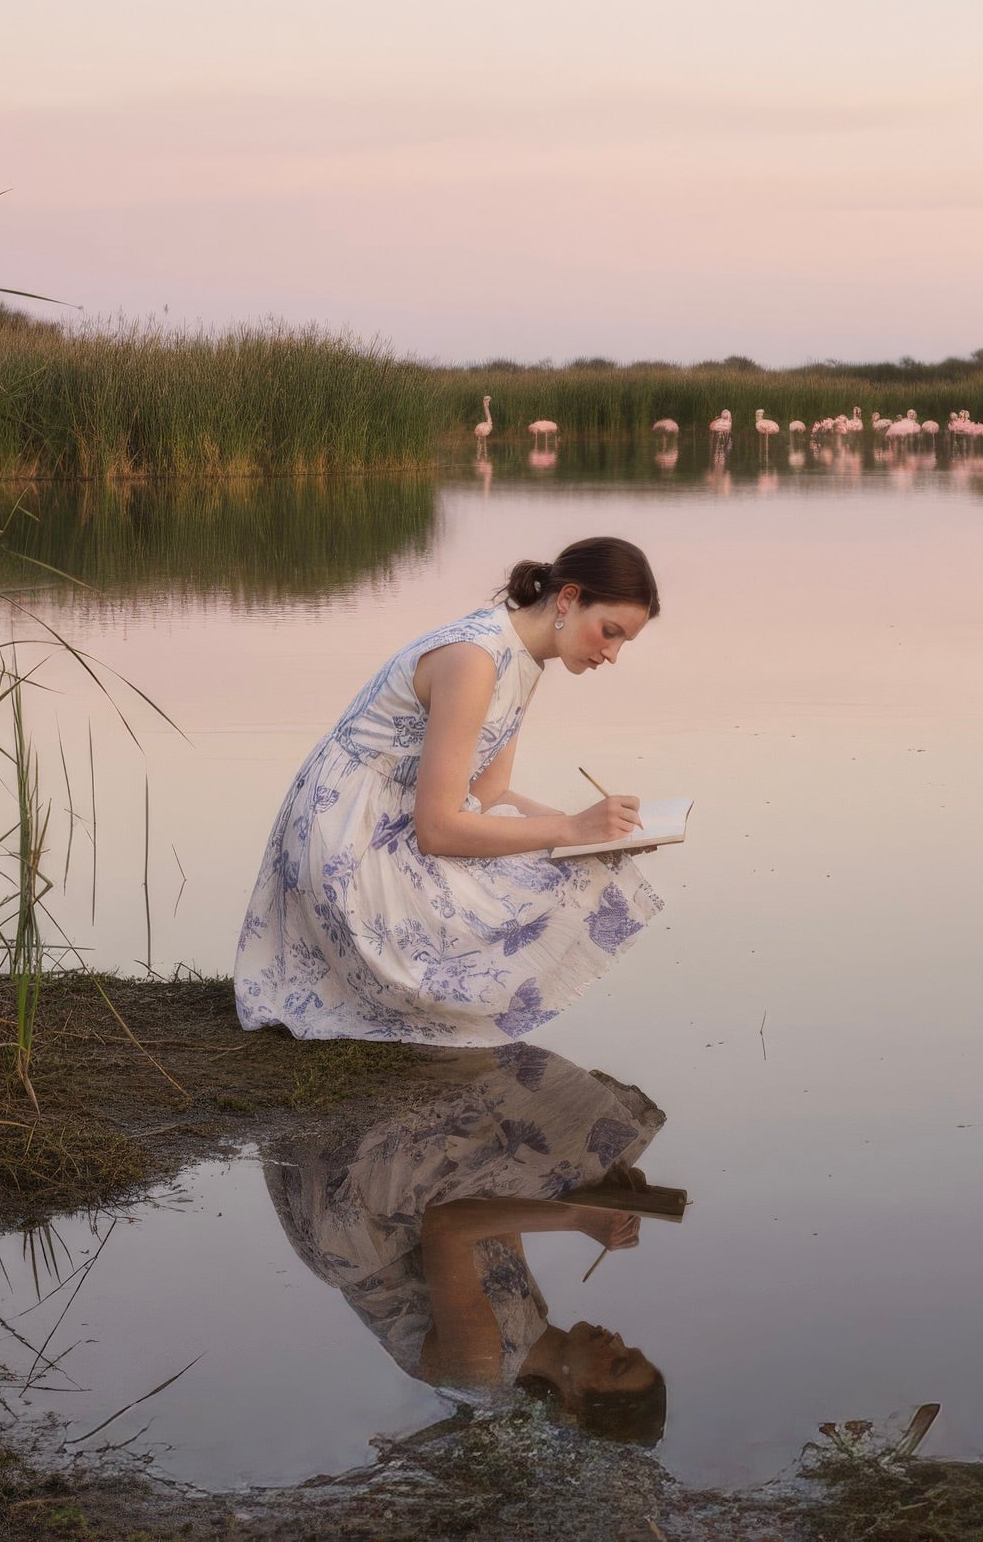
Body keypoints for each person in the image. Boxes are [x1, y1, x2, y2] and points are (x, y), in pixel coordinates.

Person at [234, 536, 667, 1045]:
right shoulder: (475, 658)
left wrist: (597, 835)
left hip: (395, 820)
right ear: (568, 599)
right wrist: (571, 828)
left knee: (572, 863)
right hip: (347, 835)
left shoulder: (524, 660)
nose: (611, 654)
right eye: (609, 632)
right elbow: (439, 829)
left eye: (623, 643)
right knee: (548, 870)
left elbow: (491, 794)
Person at [264, 1044, 669, 1445]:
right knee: (586, 1159)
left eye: (617, 1364)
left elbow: (447, 1227)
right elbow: (493, 1204)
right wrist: (606, 1200)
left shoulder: (483, 1370)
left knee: (586, 1153)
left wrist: (578, 1215)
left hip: (351, 1220)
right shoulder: (533, 1323)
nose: (616, 1341)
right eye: (630, 1349)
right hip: (395, 1211)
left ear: (575, 1402)